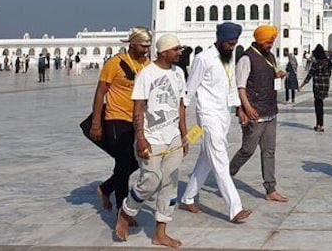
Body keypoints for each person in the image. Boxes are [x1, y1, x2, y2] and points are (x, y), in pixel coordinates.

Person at [114, 34, 188, 247]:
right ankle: (125, 214)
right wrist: (141, 138)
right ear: (164, 52)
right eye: (176, 50)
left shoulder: (179, 73)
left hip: (172, 136)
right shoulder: (147, 74)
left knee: (170, 184)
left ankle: (160, 232)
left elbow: (181, 105)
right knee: (150, 180)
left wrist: (183, 135)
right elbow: (137, 108)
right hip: (151, 137)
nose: (179, 53)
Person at [179, 22, 252, 224]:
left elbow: (230, 86)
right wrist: (182, 125)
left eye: (235, 44)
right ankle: (235, 208)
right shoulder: (203, 59)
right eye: (230, 43)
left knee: (206, 158)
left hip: (223, 115)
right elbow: (189, 90)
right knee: (220, 159)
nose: (232, 46)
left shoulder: (228, 58)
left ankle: (187, 197)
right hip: (208, 115)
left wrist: (239, 109)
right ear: (220, 40)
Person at [89, 27, 151, 223]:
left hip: (136, 120)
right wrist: (97, 123)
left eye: (149, 46)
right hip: (116, 118)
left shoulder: (147, 64)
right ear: (132, 44)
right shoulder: (115, 63)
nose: (146, 49)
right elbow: (100, 93)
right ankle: (121, 212)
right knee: (124, 163)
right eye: (143, 46)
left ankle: (106, 188)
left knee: (134, 162)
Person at [229, 25, 289, 203]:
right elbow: (240, 87)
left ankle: (270, 189)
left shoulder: (269, 55)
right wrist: (246, 108)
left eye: (272, 41)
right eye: (268, 41)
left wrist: (277, 75)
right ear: (260, 40)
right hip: (255, 112)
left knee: (269, 151)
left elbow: (266, 74)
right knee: (247, 150)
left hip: (270, 110)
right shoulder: (247, 58)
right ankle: (226, 175)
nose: (271, 44)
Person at [299, 44, 332, 131]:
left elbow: (310, 75)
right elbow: (329, 73)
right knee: (320, 105)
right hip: (325, 86)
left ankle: (319, 125)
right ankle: (321, 124)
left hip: (317, 86)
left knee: (318, 106)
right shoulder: (328, 62)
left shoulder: (316, 63)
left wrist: (301, 85)